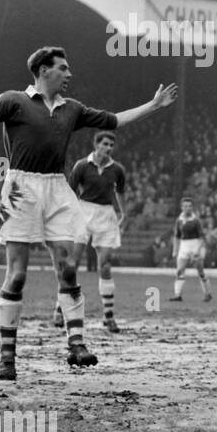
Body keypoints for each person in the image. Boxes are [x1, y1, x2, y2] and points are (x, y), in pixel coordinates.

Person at [0, 46, 176, 380]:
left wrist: (154, 105)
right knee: (16, 275)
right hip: (20, 189)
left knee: (69, 267)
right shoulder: (12, 100)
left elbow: (114, 121)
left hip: (57, 188)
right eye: (63, 68)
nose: (69, 74)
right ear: (44, 70)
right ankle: (7, 358)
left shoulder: (72, 109)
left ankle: (76, 343)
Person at [55, 129, 128, 332]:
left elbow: (120, 192)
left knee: (104, 265)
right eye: (105, 144)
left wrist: (124, 213)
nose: (108, 148)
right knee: (73, 263)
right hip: (83, 211)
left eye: (111, 145)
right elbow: (70, 191)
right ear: (96, 145)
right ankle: (60, 308)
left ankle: (109, 316)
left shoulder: (117, 169)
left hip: (106, 215)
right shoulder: (82, 166)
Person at [168, 197, 212, 302]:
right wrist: (175, 249)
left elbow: (202, 237)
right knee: (179, 270)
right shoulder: (179, 220)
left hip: (195, 244)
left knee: (200, 271)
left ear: (192, 208)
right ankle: (178, 295)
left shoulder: (196, 221)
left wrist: (197, 250)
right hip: (184, 246)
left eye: (190, 206)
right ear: (182, 207)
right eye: (186, 206)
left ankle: (207, 293)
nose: (188, 208)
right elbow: (177, 236)